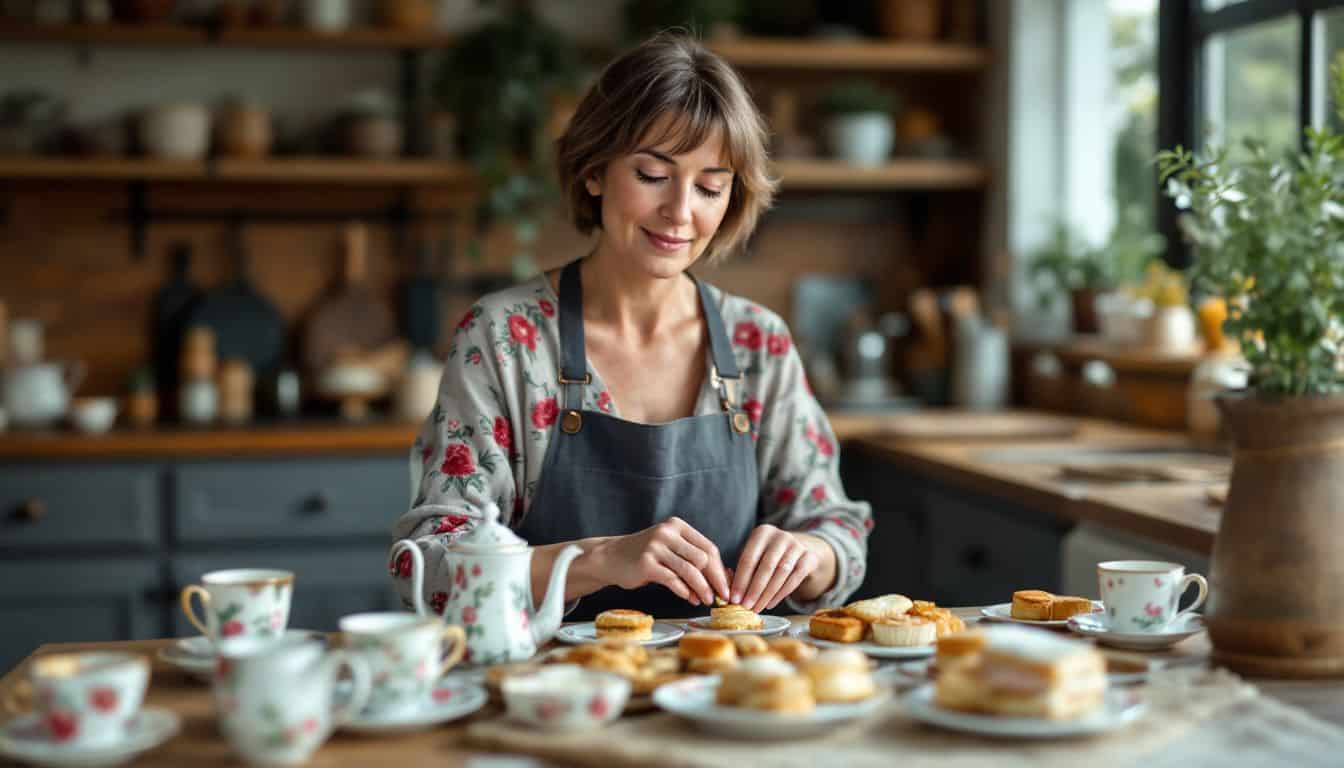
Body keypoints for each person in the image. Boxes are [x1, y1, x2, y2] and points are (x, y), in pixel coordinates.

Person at [391, 32, 872, 621]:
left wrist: (810, 552)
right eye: (652, 174)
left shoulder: (757, 342)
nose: (681, 211)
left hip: (718, 688)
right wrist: (597, 560)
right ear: (595, 171)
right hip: (543, 694)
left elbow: (837, 526)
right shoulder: (504, 338)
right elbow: (429, 564)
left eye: (710, 187)